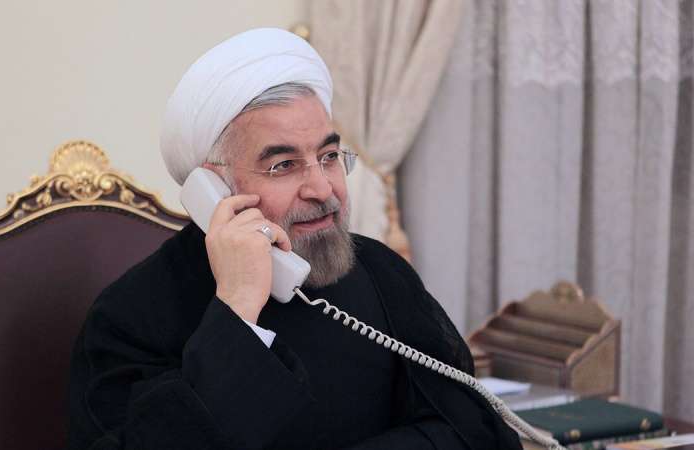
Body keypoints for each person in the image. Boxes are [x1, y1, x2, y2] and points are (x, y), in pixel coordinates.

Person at [67, 28, 523, 450]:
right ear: (216, 189)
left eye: (328, 156)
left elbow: (473, 429)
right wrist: (237, 313)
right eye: (283, 165)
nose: (322, 188)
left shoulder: (381, 273)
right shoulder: (131, 316)